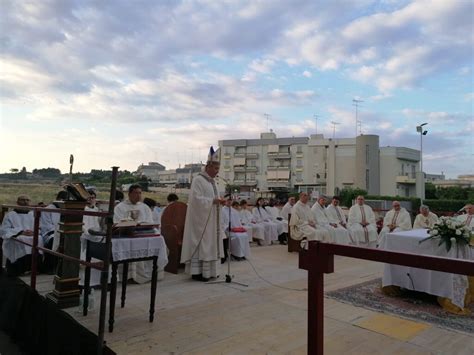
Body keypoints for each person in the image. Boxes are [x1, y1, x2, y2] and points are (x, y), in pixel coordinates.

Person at [180, 147, 224, 282]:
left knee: (211, 244)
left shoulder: (213, 182)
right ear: (208, 166)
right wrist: (213, 201)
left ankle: (210, 272)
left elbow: (215, 198)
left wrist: (221, 202)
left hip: (212, 220)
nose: (217, 172)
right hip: (201, 221)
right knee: (203, 243)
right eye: (215, 169)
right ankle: (198, 272)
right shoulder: (198, 180)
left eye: (218, 169)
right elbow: (195, 200)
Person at [114, 184, 156, 284]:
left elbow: (150, 221)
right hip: (126, 236)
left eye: (140, 193)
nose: (139, 195)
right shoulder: (120, 207)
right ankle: (126, 276)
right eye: (136, 193)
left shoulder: (144, 207)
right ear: (129, 194)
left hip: (142, 234)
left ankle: (141, 274)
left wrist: (142, 225)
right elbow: (117, 222)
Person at [0, 195, 42, 276]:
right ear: (17, 202)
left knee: (39, 238)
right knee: (21, 240)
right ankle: (19, 269)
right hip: (16, 236)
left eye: (27, 200)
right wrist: (20, 232)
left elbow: (39, 227)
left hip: (31, 235)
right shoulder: (10, 214)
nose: (25, 202)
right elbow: (4, 230)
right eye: (23, 200)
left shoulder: (32, 214)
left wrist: (34, 232)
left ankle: (33, 268)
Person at [39, 190, 68, 273]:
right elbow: (46, 226)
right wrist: (59, 231)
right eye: (64, 200)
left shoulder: (64, 208)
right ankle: (49, 268)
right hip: (50, 233)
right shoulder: (48, 209)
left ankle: (64, 267)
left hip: (62, 231)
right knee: (54, 240)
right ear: (59, 199)